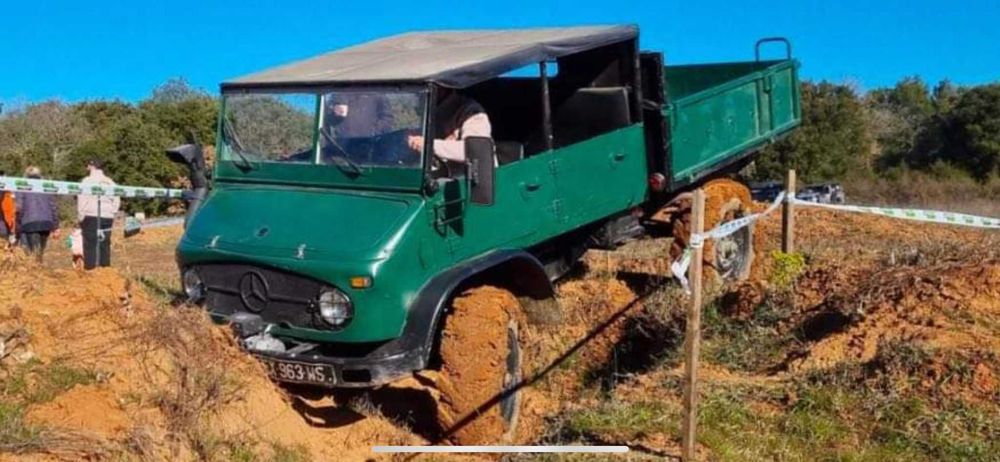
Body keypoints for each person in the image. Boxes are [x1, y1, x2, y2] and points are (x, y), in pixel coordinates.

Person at [406, 88, 492, 164]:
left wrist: (428, 145)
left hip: (469, 179)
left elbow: (476, 150)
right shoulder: (425, 109)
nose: (419, 95)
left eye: (425, 89)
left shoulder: (472, 112)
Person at [77, 159, 120, 269]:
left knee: (90, 244)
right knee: (104, 244)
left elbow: (82, 199)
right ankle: (105, 269)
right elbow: (117, 198)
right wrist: (112, 211)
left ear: (91, 166)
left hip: (91, 215)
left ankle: (90, 271)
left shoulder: (87, 181)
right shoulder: (110, 181)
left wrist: (81, 216)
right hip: (107, 216)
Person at [14, 167, 60, 261]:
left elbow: (19, 207)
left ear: (26, 175)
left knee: (32, 254)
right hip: (46, 223)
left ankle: (35, 271)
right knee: (39, 253)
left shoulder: (22, 186)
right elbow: (53, 206)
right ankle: (39, 267)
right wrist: (56, 226)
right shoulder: (46, 186)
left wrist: (17, 224)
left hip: (29, 223)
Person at [0, 170, 16, 247]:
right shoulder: (8, 193)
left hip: (6, 225)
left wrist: (12, 229)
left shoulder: (9, 193)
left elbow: (11, 210)